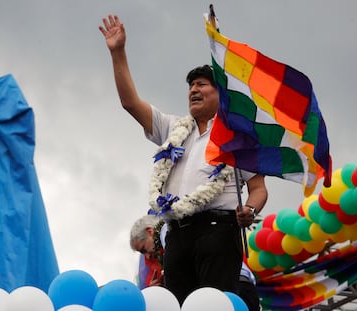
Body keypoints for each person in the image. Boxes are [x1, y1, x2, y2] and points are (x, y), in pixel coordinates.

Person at [99, 14, 268, 305]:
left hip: (219, 233)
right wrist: (118, 52)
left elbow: (259, 189)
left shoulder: (236, 137)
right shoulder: (172, 128)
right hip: (176, 236)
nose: (193, 90)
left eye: (202, 84)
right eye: (191, 86)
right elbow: (129, 102)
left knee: (214, 305)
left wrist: (250, 209)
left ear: (221, 95)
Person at [130, 215, 261, 311]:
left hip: (233, 286)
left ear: (150, 231)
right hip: (238, 285)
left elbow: (184, 275)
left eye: (143, 249)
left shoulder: (168, 232)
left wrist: (162, 290)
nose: (147, 256)